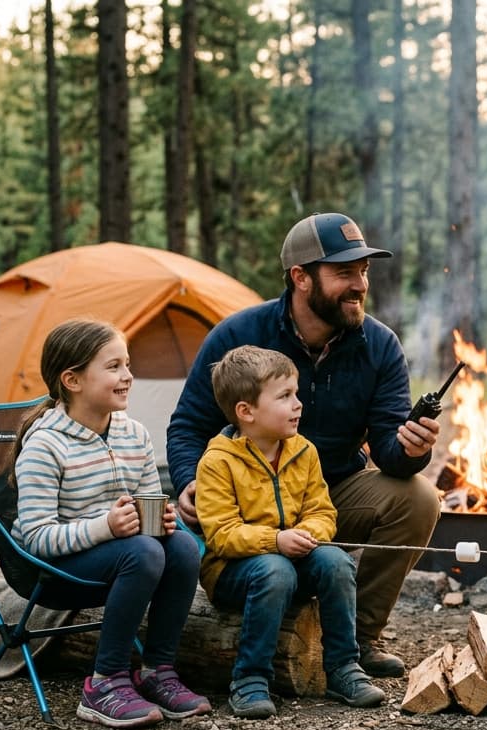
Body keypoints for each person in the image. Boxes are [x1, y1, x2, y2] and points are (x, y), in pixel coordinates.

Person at [167, 212, 442, 679]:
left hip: (330, 492)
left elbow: (390, 456)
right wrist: (191, 480)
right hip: (249, 502)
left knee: (418, 498)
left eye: (364, 271)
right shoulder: (239, 337)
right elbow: (187, 427)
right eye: (344, 272)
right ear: (301, 278)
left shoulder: (380, 346)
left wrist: (413, 447)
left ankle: (359, 638)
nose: (359, 284)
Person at [14, 318, 211, 729]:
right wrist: (107, 526)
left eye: (128, 364)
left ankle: (158, 671)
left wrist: (161, 518)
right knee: (141, 551)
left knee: (182, 546)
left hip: (119, 552)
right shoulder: (45, 444)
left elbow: (145, 503)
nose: (128, 376)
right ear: (72, 380)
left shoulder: (133, 433)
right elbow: (34, 538)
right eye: (114, 367)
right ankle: (104, 683)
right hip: (54, 567)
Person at [197, 345, 385, 718]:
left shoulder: (303, 451)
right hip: (234, 571)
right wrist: (275, 541)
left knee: (336, 562)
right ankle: (249, 678)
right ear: (246, 412)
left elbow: (321, 510)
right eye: (285, 396)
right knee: (275, 569)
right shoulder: (218, 461)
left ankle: (343, 667)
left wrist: (309, 532)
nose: (298, 404)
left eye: (296, 393)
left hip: (291, 557)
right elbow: (221, 534)